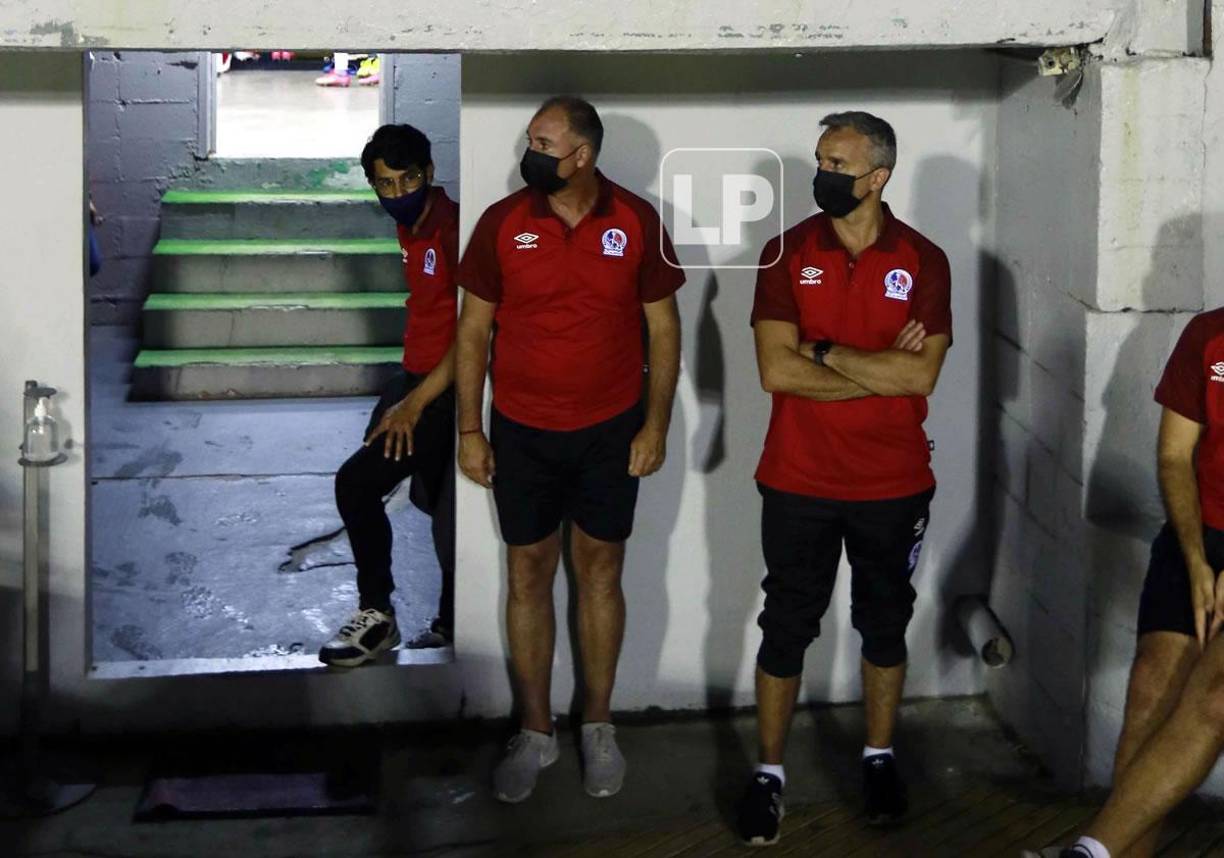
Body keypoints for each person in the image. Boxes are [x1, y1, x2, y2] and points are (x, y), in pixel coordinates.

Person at [454, 96, 684, 803]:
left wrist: (655, 425)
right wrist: (470, 429)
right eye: (530, 140)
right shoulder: (501, 223)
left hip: (610, 431)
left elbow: (664, 331)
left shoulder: (636, 220)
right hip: (521, 431)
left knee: (601, 573)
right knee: (527, 573)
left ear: (582, 156)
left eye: (543, 144)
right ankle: (535, 731)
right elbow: (472, 333)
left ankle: (598, 725)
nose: (529, 153)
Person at [738, 111, 952, 846]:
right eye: (821, 160)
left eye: (839, 164)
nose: (823, 174)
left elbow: (922, 374)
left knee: (884, 624)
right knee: (786, 625)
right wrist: (879, 369)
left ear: (878, 177)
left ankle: (878, 757)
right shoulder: (785, 251)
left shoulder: (924, 260)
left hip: (894, 483)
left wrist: (823, 352)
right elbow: (776, 370)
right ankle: (769, 773)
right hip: (796, 479)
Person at [1028, 309, 1224, 858]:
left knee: (1215, 698)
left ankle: (1090, 852)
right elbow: (1174, 456)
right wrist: (1196, 560)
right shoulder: (1208, 335)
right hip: (1200, 537)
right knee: (1151, 684)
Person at [318, 124, 458, 667]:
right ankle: (444, 622)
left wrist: (414, 404)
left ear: (430, 173)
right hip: (414, 377)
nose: (399, 193)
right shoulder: (411, 227)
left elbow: (477, 331)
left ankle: (378, 615)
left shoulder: (452, 228)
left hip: (443, 391)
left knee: (357, 483)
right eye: (386, 184)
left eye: (409, 179)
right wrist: (402, 389)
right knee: (438, 506)